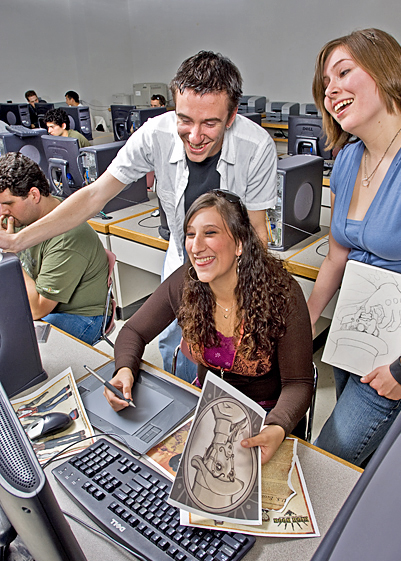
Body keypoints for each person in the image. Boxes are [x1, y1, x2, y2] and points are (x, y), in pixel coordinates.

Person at [0, 51, 277, 383]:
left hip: (234, 262)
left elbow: (258, 231)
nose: (194, 135)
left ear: (231, 116)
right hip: (182, 253)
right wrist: (17, 241)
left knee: (222, 351)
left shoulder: (256, 146)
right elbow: (94, 195)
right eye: (185, 119)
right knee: (171, 341)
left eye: (210, 123)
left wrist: (249, 295)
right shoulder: (155, 133)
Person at [104, 191, 314, 465]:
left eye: (210, 233)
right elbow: (133, 331)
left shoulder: (282, 295)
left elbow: (298, 384)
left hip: (267, 418)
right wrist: (124, 370)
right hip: (208, 410)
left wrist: (276, 426)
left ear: (239, 243)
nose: (196, 246)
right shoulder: (185, 283)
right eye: (191, 235)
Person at [307, 28, 401, 466]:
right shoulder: (348, 159)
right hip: (353, 336)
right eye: (326, 84)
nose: (331, 90)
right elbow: (338, 256)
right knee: (359, 460)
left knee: (328, 459)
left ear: (385, 70)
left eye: (344, 73)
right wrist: (307, 322)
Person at [0, 152, 109, 345]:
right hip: (36, 301)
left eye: (7, 204)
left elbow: (37, 309)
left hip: (79, 316)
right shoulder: (22, 216)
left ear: (34, 195)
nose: (2, 212)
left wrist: (11, 256)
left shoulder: (67, 236)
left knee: (19, 347)